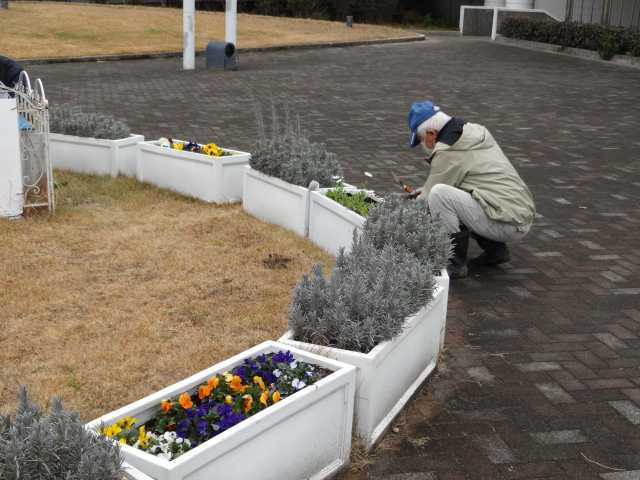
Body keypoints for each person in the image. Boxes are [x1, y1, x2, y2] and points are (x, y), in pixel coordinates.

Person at [407, 100, 535, 279]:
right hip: (517, 213)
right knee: (456, 195)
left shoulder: (447, 152)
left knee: (439, 196)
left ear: (430, 133)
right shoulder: (473, 132)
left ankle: (454, 263)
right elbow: (461, 177)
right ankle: (496, 251)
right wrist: (424, 190)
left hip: (507, 222)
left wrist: (405, 213)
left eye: (421, 139)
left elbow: (431, 196)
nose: (423, 145)